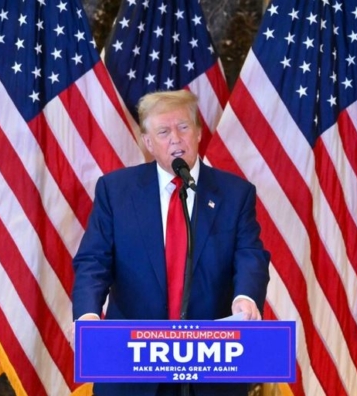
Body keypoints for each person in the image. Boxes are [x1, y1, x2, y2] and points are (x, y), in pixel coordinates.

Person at [71, 90, 270, 396]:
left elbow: (250, 256)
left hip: (211, 366)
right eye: (164, 131)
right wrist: (87, 315)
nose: (175, 138)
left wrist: (246, 297)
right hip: (132, 365)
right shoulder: (116, 191)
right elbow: (93, 262)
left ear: (199, 133)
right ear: (148, 143)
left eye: (183, 127)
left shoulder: (235, 193)